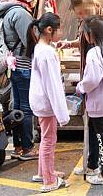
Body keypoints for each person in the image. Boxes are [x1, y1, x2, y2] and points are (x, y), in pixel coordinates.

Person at [58, 0, 103, 168]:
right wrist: (70, 43)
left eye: (84, 12)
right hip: (94, 82)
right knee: (96, 125)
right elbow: (86, 40)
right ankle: (94, 162)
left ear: (92, 3)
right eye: (78, 14)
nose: (82, 16)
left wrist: (98, 73)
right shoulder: (86, 23)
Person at [0, 0, 40, 160]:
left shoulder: (10, 10)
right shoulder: (20, 13)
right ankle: (27, 148)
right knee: (26, 109)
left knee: (18, 107)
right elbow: (30, 42)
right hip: (23, 67)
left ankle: (19, 147)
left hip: (15, 66)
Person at [27, 12, 70, 192]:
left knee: (46, 138)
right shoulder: (47, 53)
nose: (61, 32)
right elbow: (53, 85)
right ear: (49, 30)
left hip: (40, 100)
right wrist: (62, 113)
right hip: (46, 103)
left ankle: (44, 172)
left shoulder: (41, 47)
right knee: (49, 140)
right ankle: (49, 180)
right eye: (58, 29)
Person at [75, 15, 103, 186]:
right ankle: (92, 165)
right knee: (95, 133)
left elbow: (92, 79)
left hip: (98, 100)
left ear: (91, 34)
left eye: (85, 33)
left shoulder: (94, 53)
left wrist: (80, 87)